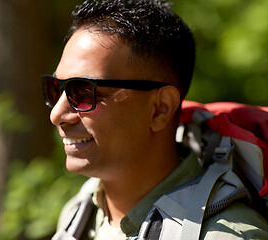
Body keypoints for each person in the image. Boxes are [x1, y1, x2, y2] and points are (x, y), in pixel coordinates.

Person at [41, 0, 268, 239]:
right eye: (55, 88)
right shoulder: (81, 213)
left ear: (160, 108)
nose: (56, 115)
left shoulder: (225, 235)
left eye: (84, 92)